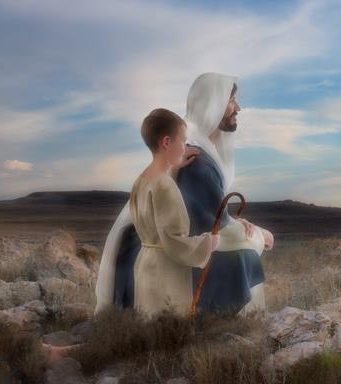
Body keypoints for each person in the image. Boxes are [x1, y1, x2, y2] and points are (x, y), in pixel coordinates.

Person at [95, 72, 274, 316]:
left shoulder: (176, 163)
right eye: (231, 100)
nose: (238, 107)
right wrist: (260, 236)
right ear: (213, 105)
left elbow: (206, 213)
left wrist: (236, 224)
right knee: (246, 258)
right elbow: (208, 228)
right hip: (171, 262)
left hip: (148, 259)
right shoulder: (196, 162)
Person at [128, 108, 219, 316]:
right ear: (167, 142)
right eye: (183, 141)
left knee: (148, 323)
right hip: (165, 271)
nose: (186, 146)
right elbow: (174, 242)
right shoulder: (165, 185)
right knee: (168, 326)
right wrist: (209, 243)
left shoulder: (141, 180)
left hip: (145, 264)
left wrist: (174, 167)